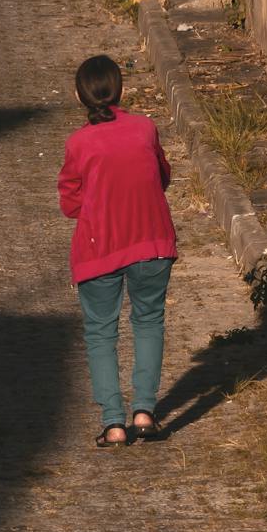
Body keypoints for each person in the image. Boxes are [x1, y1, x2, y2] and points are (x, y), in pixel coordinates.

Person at [57, 55, 178, 448]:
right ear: (120, 90)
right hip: (151, 241)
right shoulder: (145, 128)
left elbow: (70, 204)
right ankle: (144, 412)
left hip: (99, 246)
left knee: (100, 332)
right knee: (148, 321)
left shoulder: (78, 143)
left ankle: (113, 422)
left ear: (80, 96)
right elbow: (163, 176)